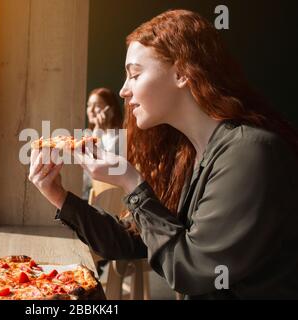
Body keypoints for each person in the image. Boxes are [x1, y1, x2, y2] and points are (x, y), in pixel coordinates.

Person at [29, 9, 298, 299]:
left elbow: (190, 270)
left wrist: (132, 183)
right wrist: (58, 194)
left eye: (135, 74)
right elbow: (130, 241)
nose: (123, 91)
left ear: (182, 72)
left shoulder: (250, 152)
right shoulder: (191, 154)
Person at [83, 88, 123, 200]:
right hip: (88, 196)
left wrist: (98, 133)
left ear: (110, 110)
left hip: (111, 198)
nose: (90, 110)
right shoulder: (87, 135)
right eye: (88, 105)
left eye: (96, 105)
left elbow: (108, 168)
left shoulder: (120, 137)